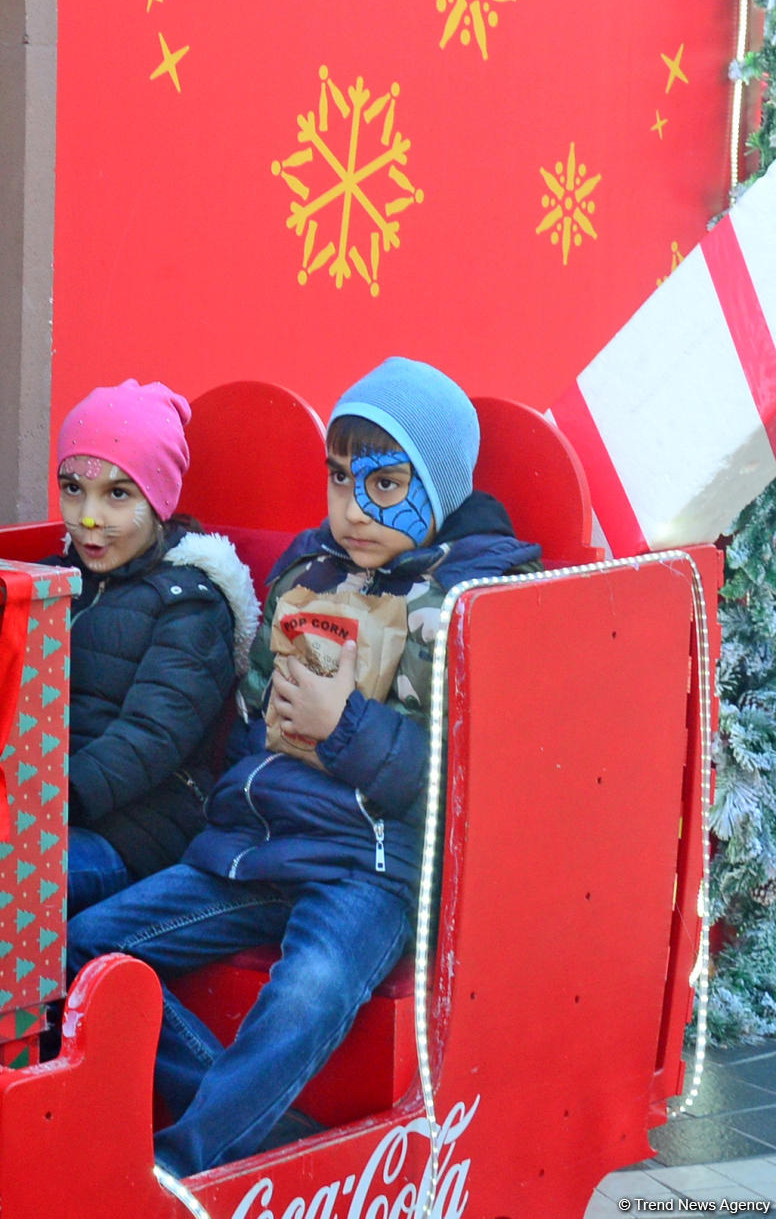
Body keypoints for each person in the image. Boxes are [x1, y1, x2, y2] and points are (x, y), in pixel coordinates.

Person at [65, 358, 541, 1177]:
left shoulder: (468, 600)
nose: (354, 508)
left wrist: (343, 725)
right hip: (256, 845)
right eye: (338, 480)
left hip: (370, 867)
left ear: (438, 485)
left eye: (386, 485)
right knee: (82, 948)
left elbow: (460, 778)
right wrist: (235, 809)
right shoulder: (306, 567)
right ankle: (259, 1116)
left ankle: (179, 1170)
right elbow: (253, 713)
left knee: (309, 993)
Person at [51, 381, 259, 914]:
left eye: (117, 494)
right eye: (73, 489)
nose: (89, 518)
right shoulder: (54, 582)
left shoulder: (191, 603)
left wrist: (52, 799)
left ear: (160, 500)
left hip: (140, 829)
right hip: (46, 813)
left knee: (2, 883)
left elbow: (151, 736)